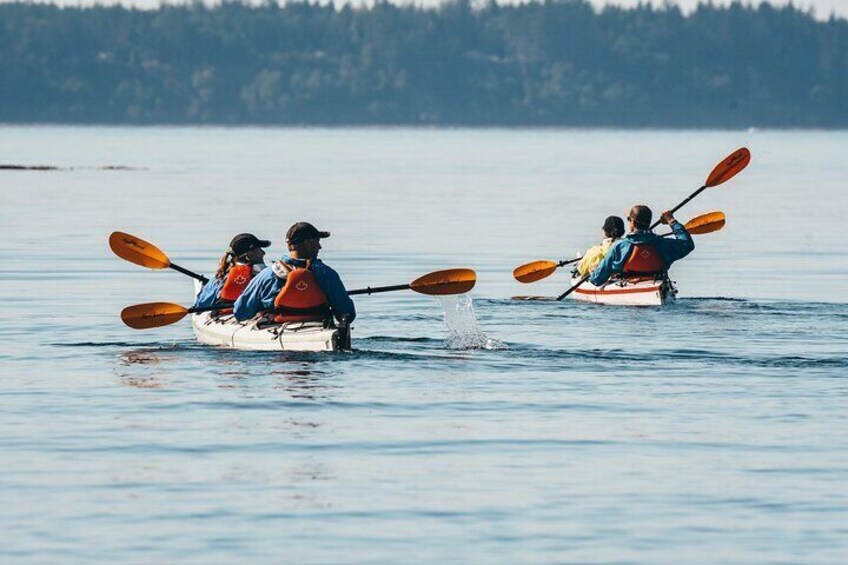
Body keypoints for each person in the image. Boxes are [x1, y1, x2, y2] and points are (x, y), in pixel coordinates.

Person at [233, 222, 356, 323]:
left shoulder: (267, 274)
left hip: (278, 332)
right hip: (320, 331)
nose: (319, 247)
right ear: (308, 243)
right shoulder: (326, 273)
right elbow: (347, 314)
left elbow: (241, 313)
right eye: (317, 241)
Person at [589, 205, 694, 286]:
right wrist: (671, 221)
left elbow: (596, 280)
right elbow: (687, 244)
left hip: (627, 286)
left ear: (632, 222)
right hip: (657, 284)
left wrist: (594, 272)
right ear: (649, 222)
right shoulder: (662, 244)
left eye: (628, 219)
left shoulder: (619, 246)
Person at [193, 233, 271, 308]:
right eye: (259, 249)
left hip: (225, 311)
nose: (263, 253)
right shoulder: (266, 275)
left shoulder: (221, 277)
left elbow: (201, 303)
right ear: (250, 254)